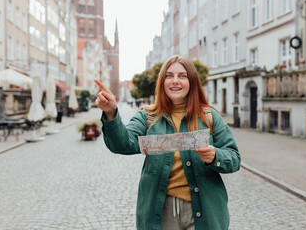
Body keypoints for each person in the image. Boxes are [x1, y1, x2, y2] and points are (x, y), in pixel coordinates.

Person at [94, 55, 241, 230]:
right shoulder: (147, 116)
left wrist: (215, 155)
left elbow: (234, 158)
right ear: (162, 82)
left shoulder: (209, 116)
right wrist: (111, 112)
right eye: (169, 76)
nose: (175, 81)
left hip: (204, 210)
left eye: (182, 76)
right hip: (161, 212)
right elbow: (123, 144)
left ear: (192, 81)